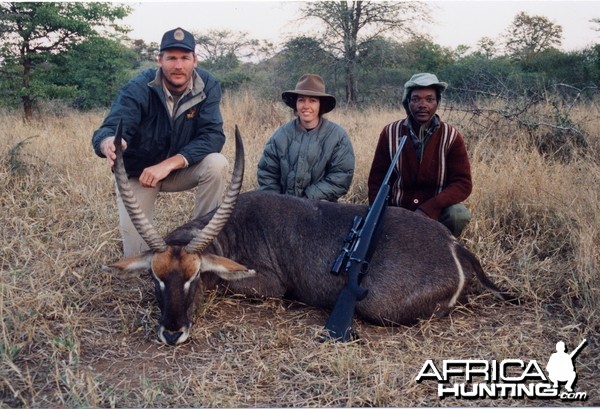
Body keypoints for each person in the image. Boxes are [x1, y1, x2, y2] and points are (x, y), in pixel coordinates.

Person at [92, 27, 228, 257]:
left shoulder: (208, 84)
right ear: (159, 60)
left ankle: (203, 244)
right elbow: (110, 128)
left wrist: (169, 164)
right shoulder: (138, 87)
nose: (178, 66)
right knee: (138, 261)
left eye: (185, 58)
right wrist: (108, 143)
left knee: (217, 163)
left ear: (195, 60)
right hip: (140, 175)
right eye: (171, 58)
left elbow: (213, 135)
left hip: (178, 169)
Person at [367, 73, 472, 237]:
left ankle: (443, 246)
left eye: (429, 99)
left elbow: (462, 183)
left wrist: (431, 207)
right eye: (416, 99)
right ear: (407, 102)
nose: (422, 105)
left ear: (438, 103)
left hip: (434, 212)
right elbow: (377, 181)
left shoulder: (451, 136)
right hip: (398, 210)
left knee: (458, 215)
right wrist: (381, 214)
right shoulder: (390, 132)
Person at [257, 74, 355, 202]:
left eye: (312, 100)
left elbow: (341, 177)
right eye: (301, 100)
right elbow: (267, 173)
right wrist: (277, 203)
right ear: (296, 104)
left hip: (320, 207)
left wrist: (307, 199)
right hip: (283, 207)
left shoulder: (338, 136)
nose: (306, 106)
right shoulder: (281, 135)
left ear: (320, 105)